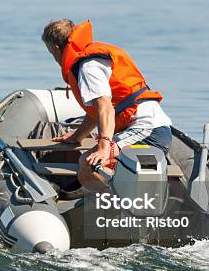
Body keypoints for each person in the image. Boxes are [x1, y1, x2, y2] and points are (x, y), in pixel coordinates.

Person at [42, 19, 172, 192]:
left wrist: (104, 147)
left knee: (88, 164)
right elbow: (97, 112)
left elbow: (106, 108)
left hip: (147, 131)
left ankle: (116, 209)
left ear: (57, 49)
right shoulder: (94, 58)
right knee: (96, 160)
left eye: (51, 54)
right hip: (150, 128)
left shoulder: (88, 67)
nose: (55, 59)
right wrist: (77, 136)